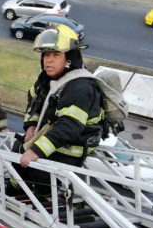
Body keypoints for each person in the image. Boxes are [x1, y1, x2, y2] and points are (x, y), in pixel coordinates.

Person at [8, 24, 103, 196]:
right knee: (19, 148)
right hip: (54, 138)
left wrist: (35, 151)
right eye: (46, 55)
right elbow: (34, 101)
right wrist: (31, 124)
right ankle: (15, 189)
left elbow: (69, 126)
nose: (48, 60)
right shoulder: (47, 80)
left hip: (70, 148)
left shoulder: (80, 86)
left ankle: (41, 198)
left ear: (69, 58)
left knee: (36, 169)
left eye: (56, 55)